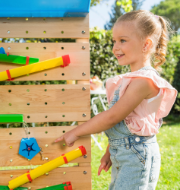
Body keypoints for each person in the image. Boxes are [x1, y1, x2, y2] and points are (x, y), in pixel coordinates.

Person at [55, 10, 177, 190]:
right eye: (114, 41)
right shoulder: (130, 79)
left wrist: (75, 132)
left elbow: (112, 117)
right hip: (126, 153)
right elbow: (124, 122)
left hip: (137, 156)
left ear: (146, 44)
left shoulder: (144, 82)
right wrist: (109, 152)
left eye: (123, 40)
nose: (115, 47)